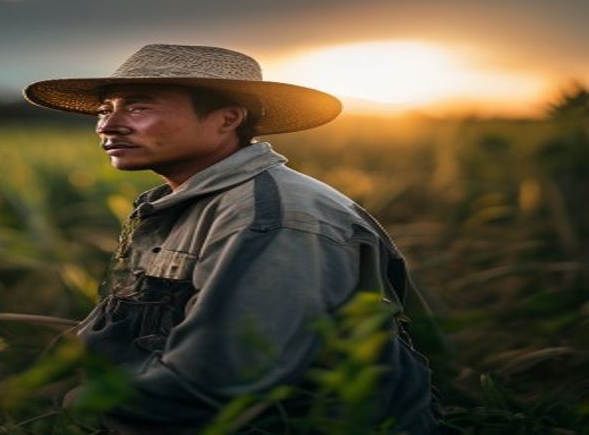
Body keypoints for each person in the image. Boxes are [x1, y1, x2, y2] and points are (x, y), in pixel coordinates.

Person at [23, 44, 441, 433]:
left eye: (138, 107)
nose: (109, 126)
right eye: (104, 110)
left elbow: (225, 377)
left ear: (227, 119)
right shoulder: (181, 202)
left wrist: (77, 408)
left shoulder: (273, 218)